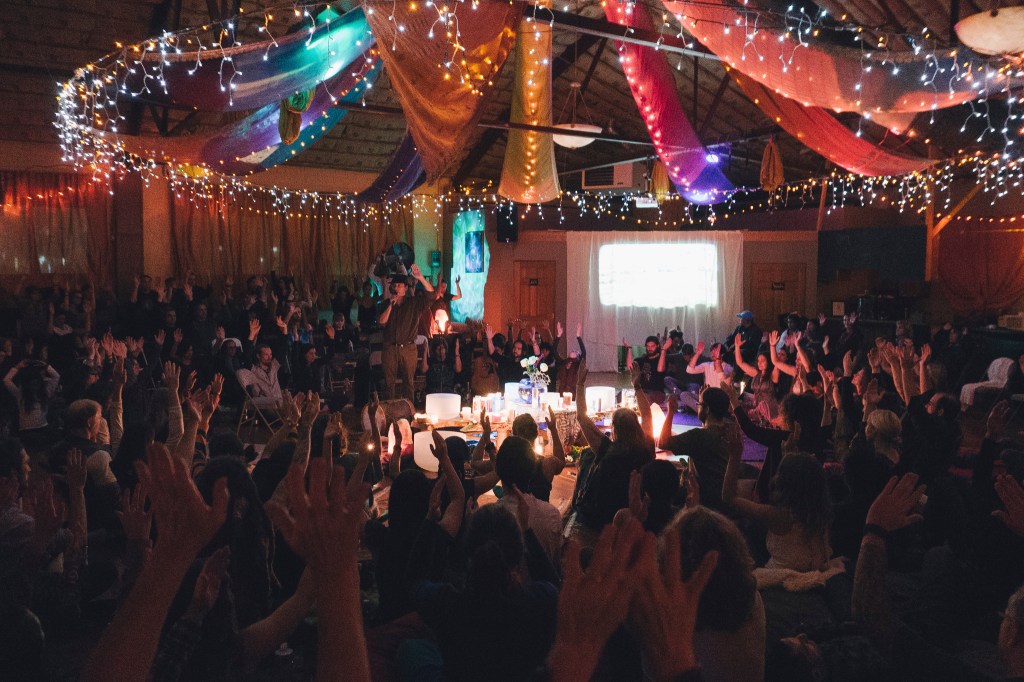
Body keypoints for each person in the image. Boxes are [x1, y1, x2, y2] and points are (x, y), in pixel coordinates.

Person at [378, 267, 433, 401]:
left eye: (399, 285)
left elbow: (431, 296)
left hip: (408, 348)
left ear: (406, 288)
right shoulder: (385, 303)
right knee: (388, 383)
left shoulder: (414, 304)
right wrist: (390, 305)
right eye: (394, 285)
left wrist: (420, 278)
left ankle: (409, 413)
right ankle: (389, 414)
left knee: (408, 382)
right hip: (390, 348)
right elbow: (381, 322)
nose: (396, 288)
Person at [681, 341, 733, 413]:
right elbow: (689, 370)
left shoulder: (728, 367)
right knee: (684, 395)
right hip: (706, 399)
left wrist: (718, 362)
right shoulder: (707, 365)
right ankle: (704, 412)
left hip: (719, 399)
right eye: (712, 351)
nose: (712, 353)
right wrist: (697, 353)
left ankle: (708, 412)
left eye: (715, 351)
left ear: (722, 354)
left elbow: (725, 382)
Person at [626, 335, 671, 405]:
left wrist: (664, 350)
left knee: (645, 397)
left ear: (657, 346)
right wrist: (629, 348)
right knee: (625, 395)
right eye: (648, 346)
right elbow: (630, 366)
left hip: (657, 393)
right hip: (643, 391)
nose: (650, 348)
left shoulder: (662, 360)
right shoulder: (642, 360)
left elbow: (660, 370)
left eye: (652, 346)